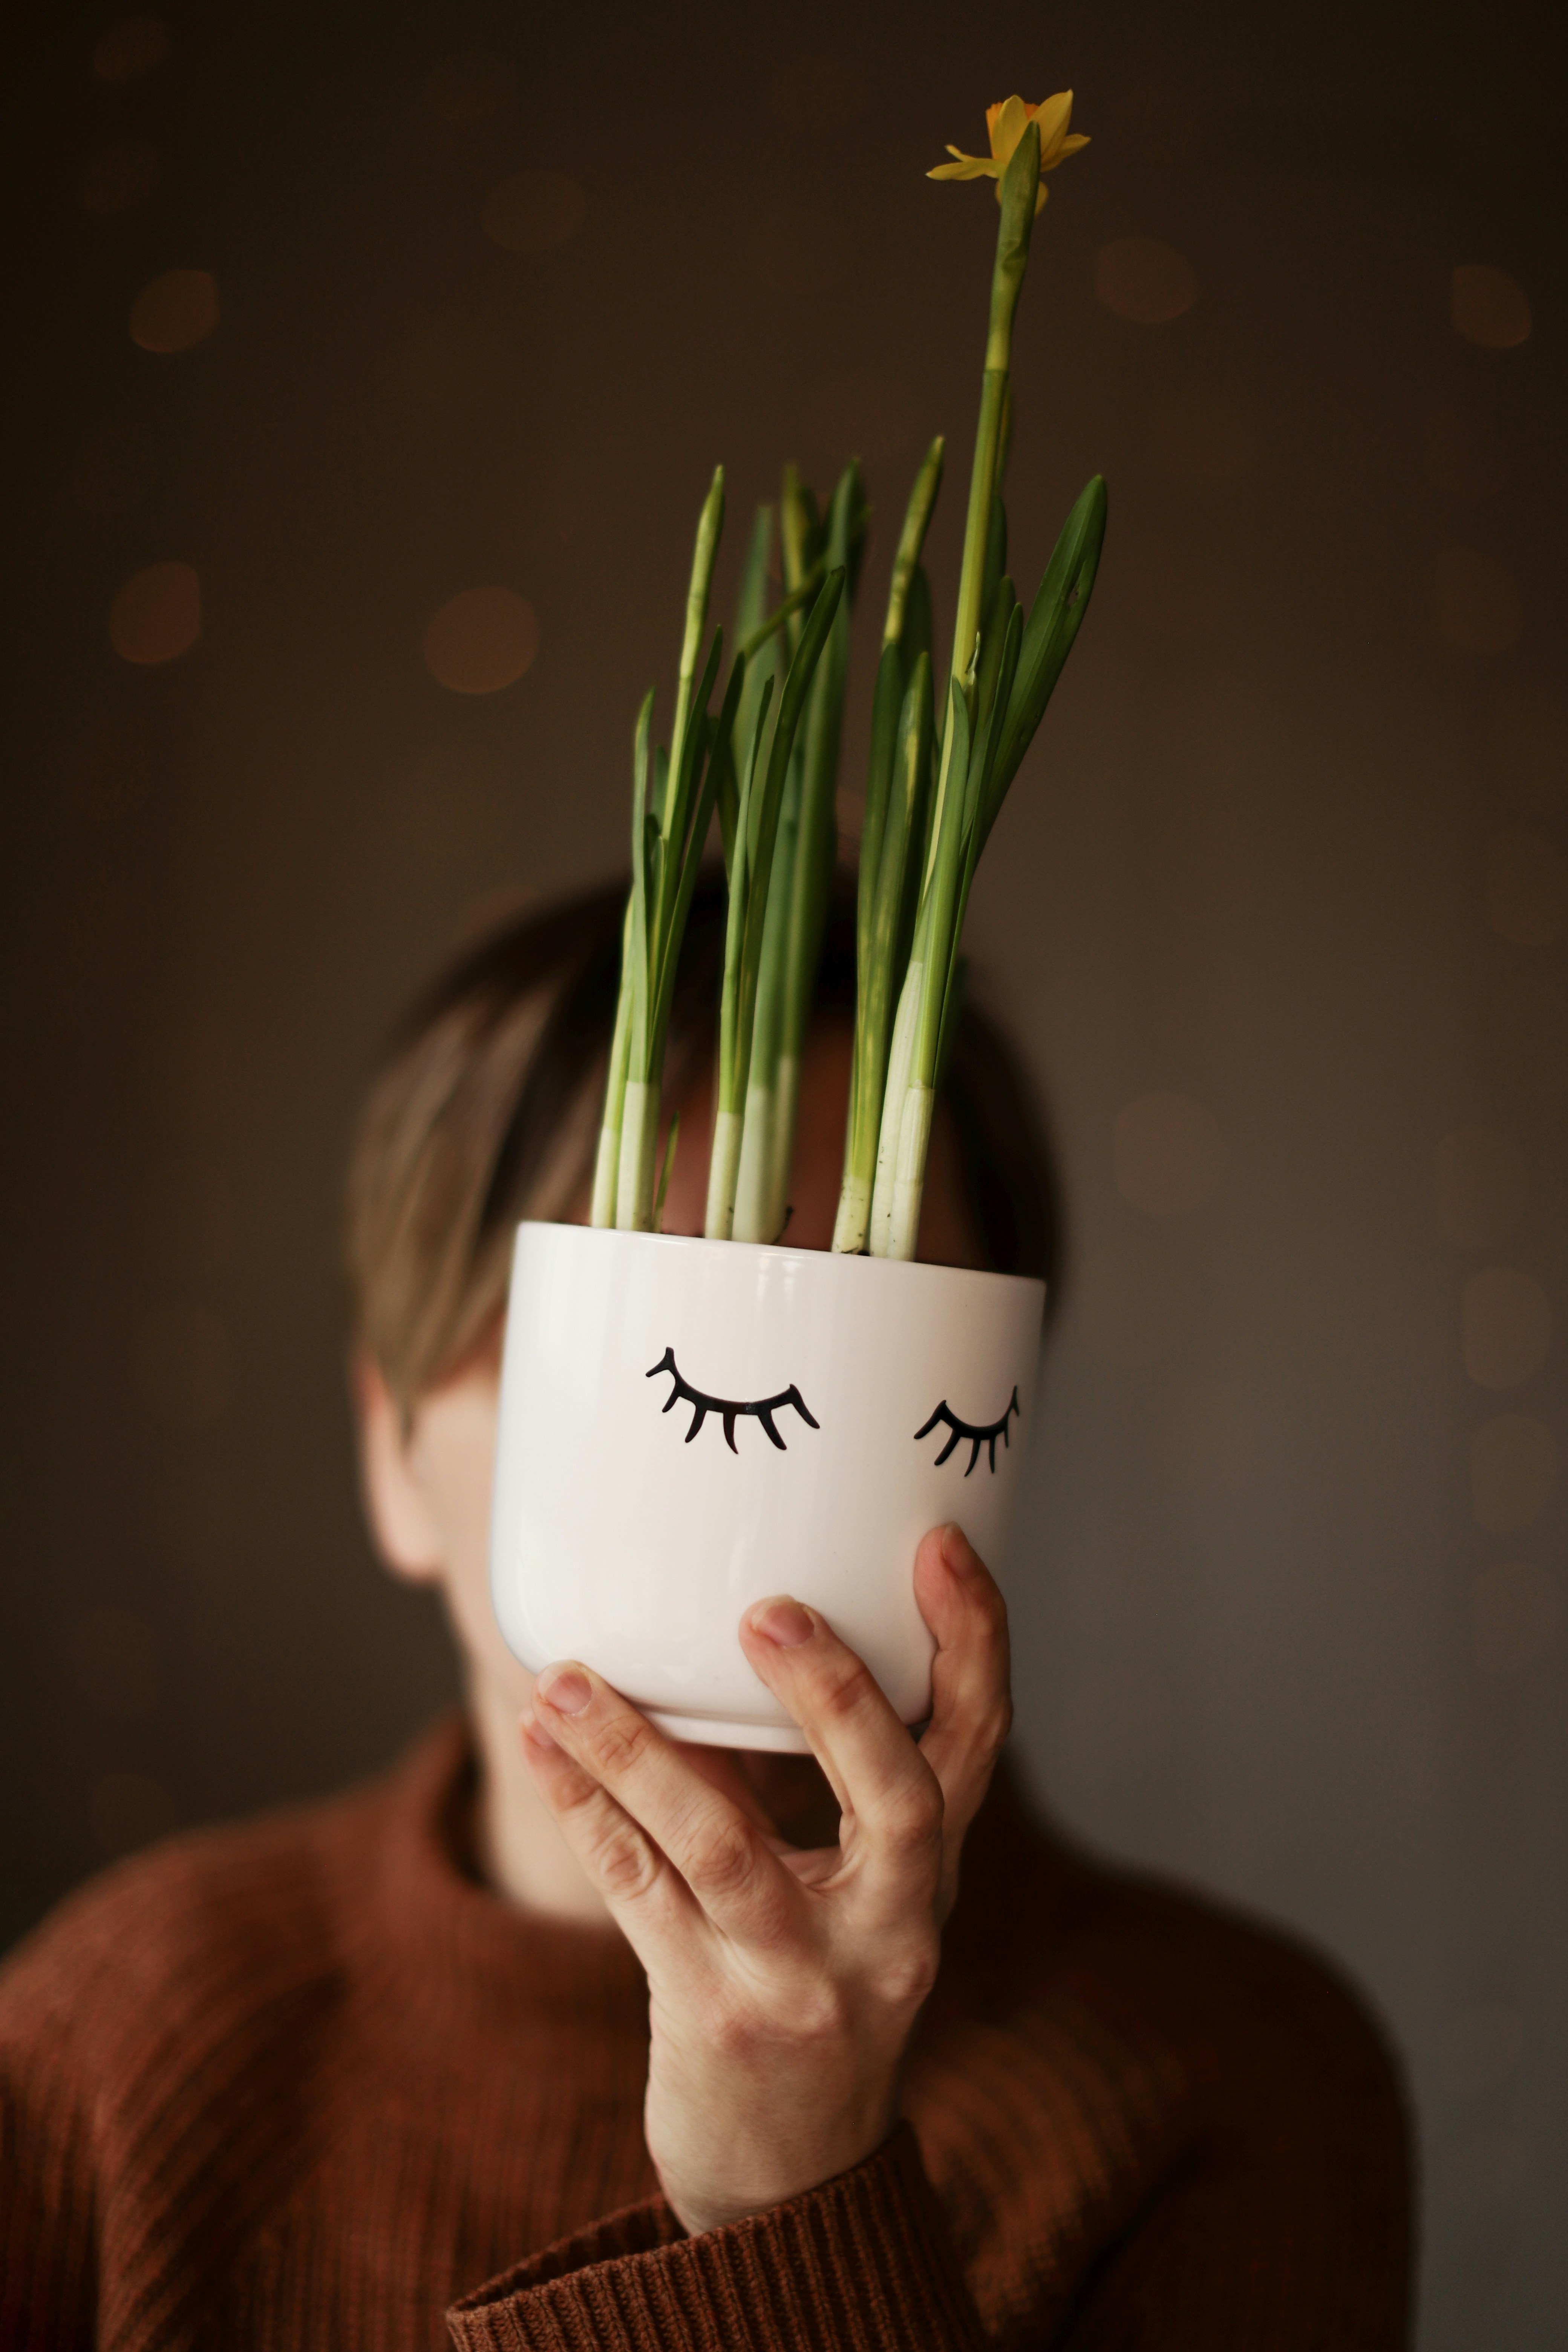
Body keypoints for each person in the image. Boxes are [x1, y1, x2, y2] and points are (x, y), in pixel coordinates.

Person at [0, 873, 1411, 2347]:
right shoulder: (121, 2042)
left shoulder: (1227, 2078)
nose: (754, 1508)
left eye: (877, 1355)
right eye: (678, 1379)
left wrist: (790, 2208)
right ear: (391, 1449)